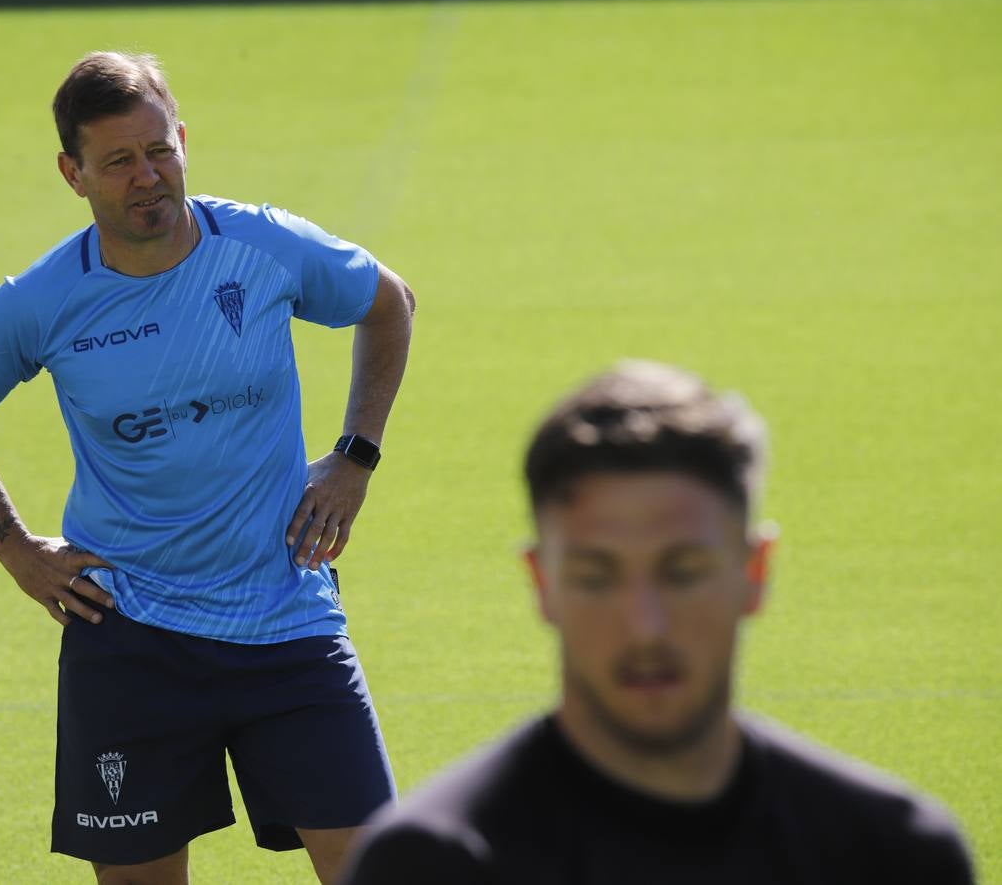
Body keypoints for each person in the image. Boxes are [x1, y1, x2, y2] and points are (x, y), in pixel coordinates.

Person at [0, 51, 414, 884]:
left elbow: (388, 301)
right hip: (131, 637)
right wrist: (12, 545)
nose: (147, 177)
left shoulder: (261, 244)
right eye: (117, 161)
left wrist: (355, 456)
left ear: (181, 139)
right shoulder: (40, 302)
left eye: (160, 151)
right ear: (73, 174)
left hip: (285, 620)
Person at [340, 361, 973, 884]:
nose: (645, 627)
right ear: (543, 584)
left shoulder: (896, 856)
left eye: (683, 572)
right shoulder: (433, 866)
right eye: (597, 577)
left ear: (754, 571)